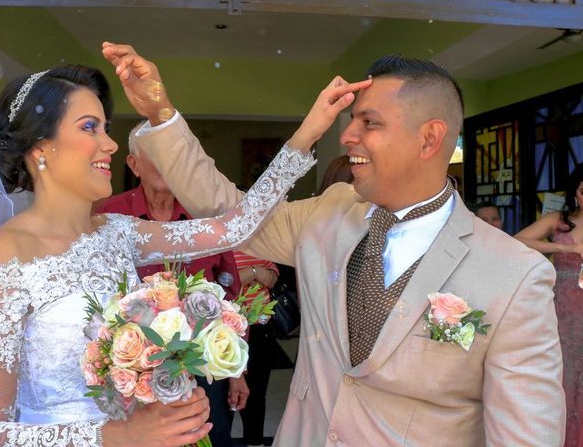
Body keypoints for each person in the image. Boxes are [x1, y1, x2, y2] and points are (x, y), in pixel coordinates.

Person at [103, 42, 566, 446]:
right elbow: (225, 209)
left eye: (369, 122)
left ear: (430, 138)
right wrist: (161, 113)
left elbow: (526, 434)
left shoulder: (514, 273)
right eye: (350, 120)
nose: (347, 136)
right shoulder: (329, 212)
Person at [0, 60, 329, 446]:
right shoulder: (2, 258)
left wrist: (307, 134)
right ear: (42, 147)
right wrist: (119, 435)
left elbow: (232, 228)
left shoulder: (118, 232)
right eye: (88, 127)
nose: (110, 144)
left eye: (105, 129)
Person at [96, 124, 249, 446]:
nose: (165, 164)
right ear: (134, 164)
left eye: (171, 155)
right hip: (134, 370)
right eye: (154, 155)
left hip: (203, 368)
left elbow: (231, 295)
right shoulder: (106, 216)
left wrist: (236, 372)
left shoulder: (204, 217)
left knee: (211, 435)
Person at [515, 163, 583, 446]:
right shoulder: (560, 219)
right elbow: (519, 240)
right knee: (564, 370)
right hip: (564, 306)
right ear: (575, 193)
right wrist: (566, 248)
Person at [232, 251, 279, 447]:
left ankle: (255, 442)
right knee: (227, 394)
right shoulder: (220, 245)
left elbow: (272, 279)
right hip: (228, 329)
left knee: (256, 392)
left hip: (260, 329)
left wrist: (248, 273)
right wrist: (255, 271)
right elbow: (225, 283)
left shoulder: (259, 243)